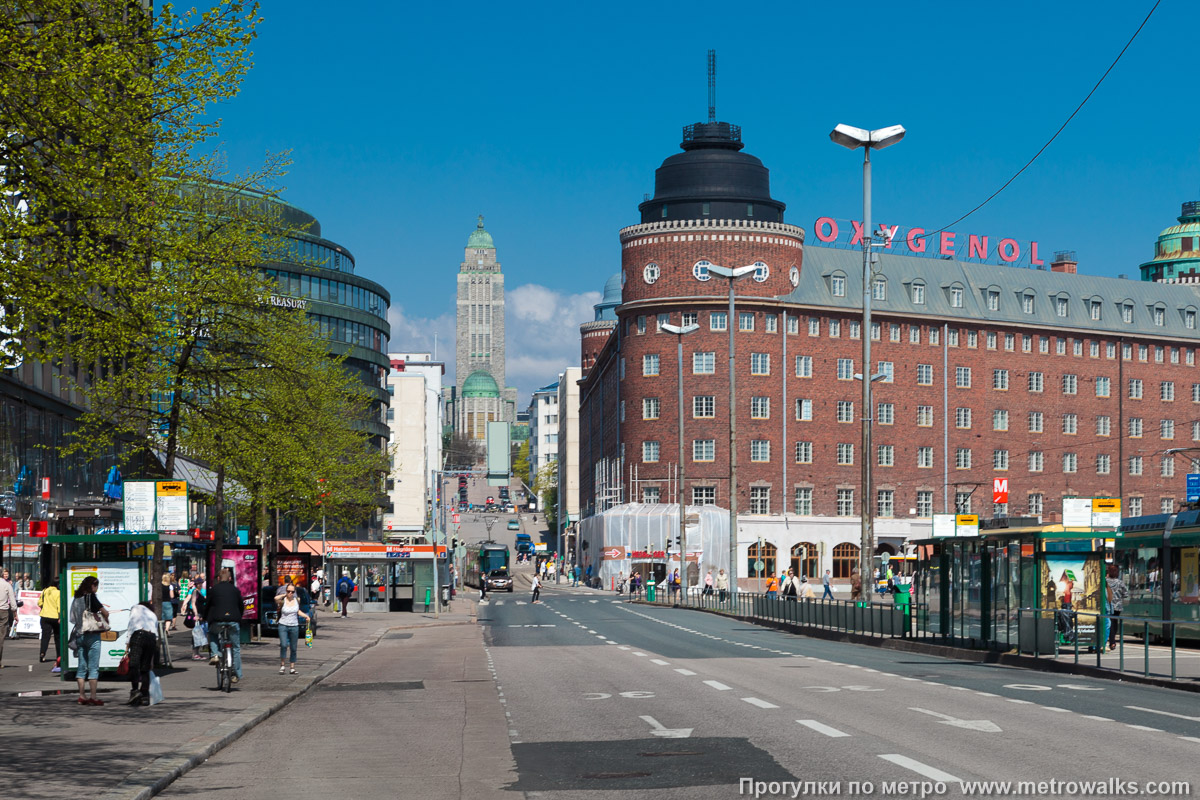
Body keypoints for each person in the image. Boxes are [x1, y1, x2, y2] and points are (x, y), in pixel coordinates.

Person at [70, 575, 109, 705]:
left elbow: (73, 618)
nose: (96, 589)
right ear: (92, 586)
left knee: (81, 667)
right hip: (92, 635)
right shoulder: (91, 596)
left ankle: (82, 696)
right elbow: (105, 612)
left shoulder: (77, 597)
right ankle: (93, 696)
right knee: (93, 667)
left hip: (80, 635)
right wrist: (105, 618)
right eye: (96, 586)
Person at [205, 568, 244, 684]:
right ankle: (237, 674)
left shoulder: (214, 590)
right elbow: (241, 606)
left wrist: (205, 616)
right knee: (236, 648)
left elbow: (207, 605)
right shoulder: (235, 590)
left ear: (218, 578)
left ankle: (215, 654)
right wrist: (239, 617)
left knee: (212, 633)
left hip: (217, 621)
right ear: (230, 579)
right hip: (233, 621)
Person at [125, 601, 159, 707]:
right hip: (151, 638)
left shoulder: (135, 608)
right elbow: (156, 635)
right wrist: (152, 660)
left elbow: (131, 625)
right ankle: (145, 696)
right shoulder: (153, 615)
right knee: (145, 668)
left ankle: (135, 691)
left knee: (134, 664)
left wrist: (127, 645)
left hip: (138, 635)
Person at [275, 582, 311, 675]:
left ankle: (292, 667)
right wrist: (284, 595)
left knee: (293, 647)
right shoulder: (283, 600)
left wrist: (306, 616)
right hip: (283, 625)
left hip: (294, 626)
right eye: (288, 591)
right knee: (283, 645)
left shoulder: (297, 600)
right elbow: (275, 598)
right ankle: (282, 665)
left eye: (292, 591)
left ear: (294, 592)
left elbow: (297, 611)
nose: (290, 593)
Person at [1106, 564, 1129, 651]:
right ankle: (1112, 641)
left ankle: (1111, 641)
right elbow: (1125, 594)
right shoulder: (1120, 582)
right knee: (1114, 624)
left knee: (1108, 623)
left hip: (1107, 605)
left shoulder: (1105, 581)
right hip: (1117, 606)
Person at [37, 579, 61, 663]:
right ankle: (59, 655)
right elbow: (59, 606)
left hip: (44, 616)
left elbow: (39, 603)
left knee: (45, 636)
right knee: (58, 637)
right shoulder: (58, 593)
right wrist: (60, 616)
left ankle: (42, 653)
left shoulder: (44, 591)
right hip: (55, 617)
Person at [186, 576, 209, 660]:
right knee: (197, 634)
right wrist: (196, 614)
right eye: (198, 583)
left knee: (202, 633)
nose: (200, 584)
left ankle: (197, 652)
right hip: (198, 614)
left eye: (201, 583)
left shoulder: (203, 591)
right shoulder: (195, 592)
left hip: (202, 615)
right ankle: (195, 653)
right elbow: (193, 603)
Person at [0, 569, 16, 667]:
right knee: (1, 637)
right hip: (3, 611)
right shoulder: (7, 585)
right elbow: (13, 602)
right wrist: (15, 614)